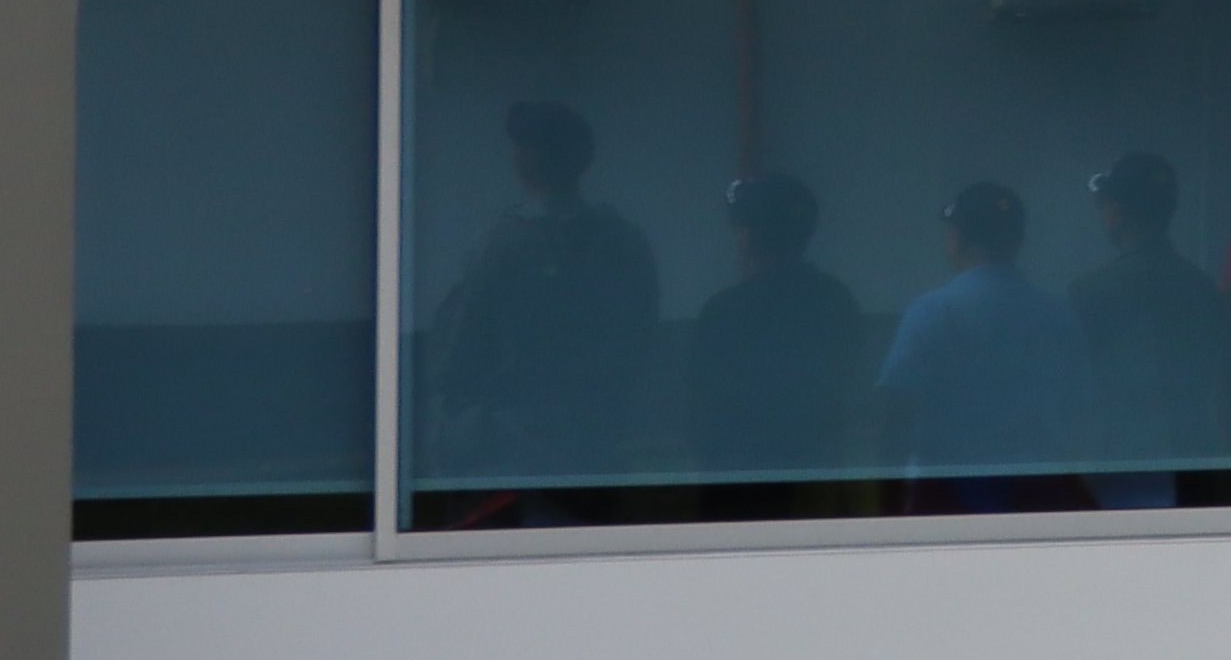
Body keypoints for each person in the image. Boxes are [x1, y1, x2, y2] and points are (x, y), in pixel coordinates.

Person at [415, 96, 660, 516]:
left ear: (520, 159)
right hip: (594, 448)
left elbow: (455, 356)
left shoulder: (500, 246)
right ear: (583, 161)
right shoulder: (625, 245)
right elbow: (641, 346)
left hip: (513, 455)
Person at [878, 177, 1094, 512]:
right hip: (1036, 491)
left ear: (958, 237)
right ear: (1018, 241)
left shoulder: (933, 311)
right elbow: (1078, 413)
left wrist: (888, 499)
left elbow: (897, 409)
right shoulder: (1057, 315)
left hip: (947, 493)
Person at [685, 168, 877, 507]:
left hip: (741, 487)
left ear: (745, 235)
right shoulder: (836, 299)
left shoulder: (725, 311)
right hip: (818, 482)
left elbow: (704, 408)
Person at [1070, 149, 1231, 502]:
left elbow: (1076, 392)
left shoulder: (1091, 290)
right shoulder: (1202, 287)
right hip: (1196, 461)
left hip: (1120, 465)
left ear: (1116, 213)